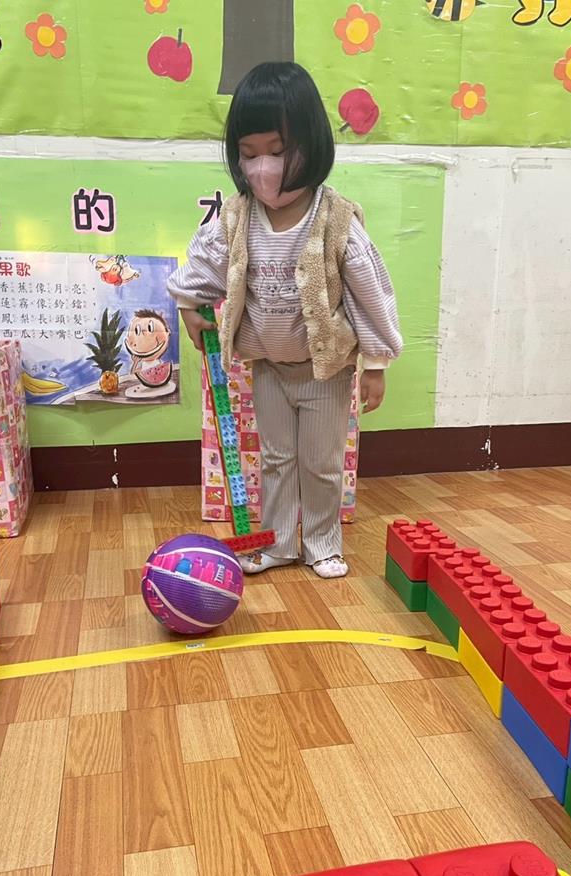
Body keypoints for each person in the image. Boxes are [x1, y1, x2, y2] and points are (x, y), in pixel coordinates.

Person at [167, 62, 403, 579]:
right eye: (248, 154)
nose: (262, 168)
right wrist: (187, 306)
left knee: (320, 464)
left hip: (325, 374)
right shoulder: (238, 216)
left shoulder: (335, 219)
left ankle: (322, 543)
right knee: (275, 460)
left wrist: (377, 362)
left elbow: (369, 293)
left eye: (277, 151)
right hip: (269, 368)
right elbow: (203, 265)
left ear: (310, 145)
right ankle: (276, 543)